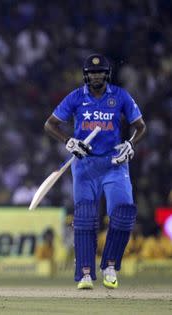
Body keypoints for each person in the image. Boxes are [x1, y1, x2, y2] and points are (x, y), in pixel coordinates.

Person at [44, 53, 146, 290]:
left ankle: (110, 265)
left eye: (100, 72)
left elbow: (140, 127)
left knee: (123, 213)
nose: (97, 76)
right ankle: (85, 273)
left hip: (114, 164)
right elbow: (50, 124)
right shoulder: (76, 97)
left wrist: (130, 144)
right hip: (85, 165)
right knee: (86, 217)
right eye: (92, 73)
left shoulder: (120, 96)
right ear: (86, 75)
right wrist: (69, 141)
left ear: (107, 74)